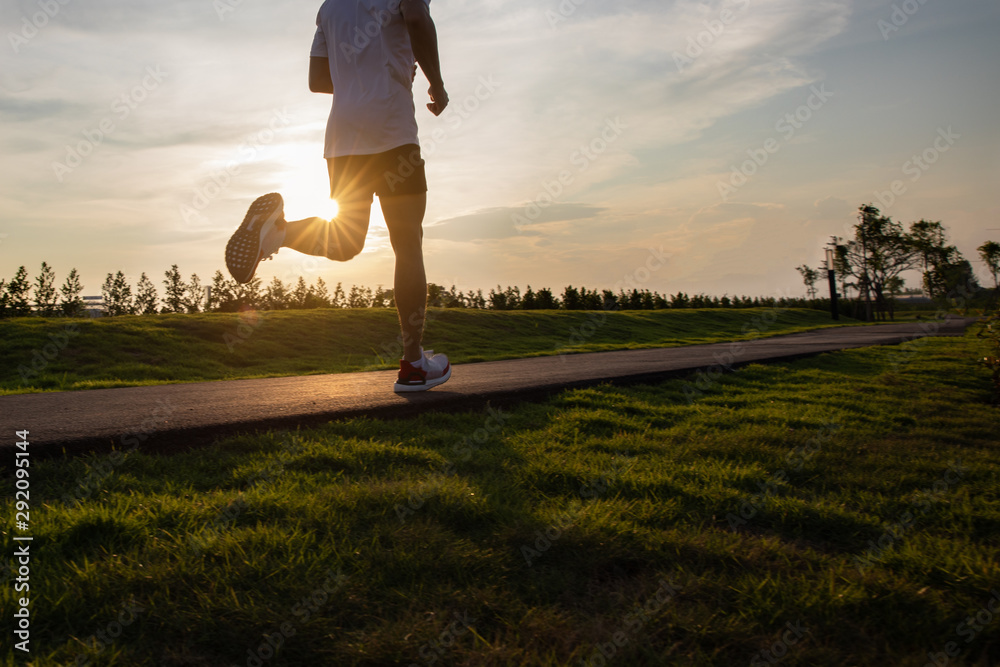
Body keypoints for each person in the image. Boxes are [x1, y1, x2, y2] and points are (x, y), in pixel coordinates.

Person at [225, 0, 451, 392]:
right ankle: (414, 363)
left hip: (343, 138)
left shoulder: (329, 6)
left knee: (347, 241)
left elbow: (317, 79)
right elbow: (416, 16)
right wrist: (435, 82)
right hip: (391, 130)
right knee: (408, 244)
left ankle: (278, 232)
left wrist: (356, 78)